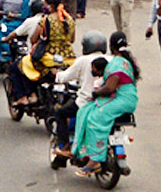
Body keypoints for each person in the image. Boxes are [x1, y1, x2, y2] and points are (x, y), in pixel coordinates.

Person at [56, 31, 139, 179]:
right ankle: (81, 149)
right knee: (85, 111)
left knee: (93, 119)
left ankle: (95, 160)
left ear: (111, 46)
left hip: (121, 100)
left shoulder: (115, 65)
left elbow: (110, 88)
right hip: (123, 98)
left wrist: (96, 93)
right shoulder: (122, 61)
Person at [49, 30, 109, 155]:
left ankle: (65, 146)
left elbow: (65, 77)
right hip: (108, 103)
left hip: (86, 103)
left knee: (60, 113)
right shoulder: (112, 59)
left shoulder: (83, 60)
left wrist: (56, 74)